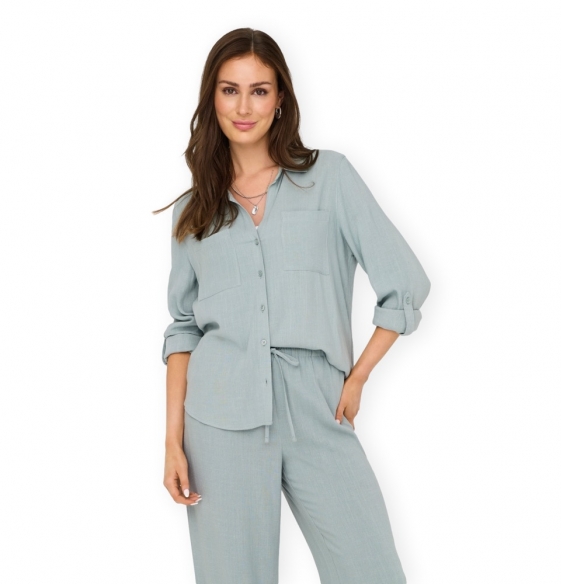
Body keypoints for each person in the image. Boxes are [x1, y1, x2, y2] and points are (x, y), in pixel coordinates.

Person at [154, 27, 431, 584]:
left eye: (259, 90)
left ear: (280, 98)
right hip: (219, 419)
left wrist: (357, 378)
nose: (244, 107)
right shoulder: (194, 210)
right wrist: (172, 442)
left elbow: (404, 283)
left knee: (371, 571)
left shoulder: (330, 178)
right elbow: (184, 329)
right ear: (212, 98)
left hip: (317, 405)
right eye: (230, 90)